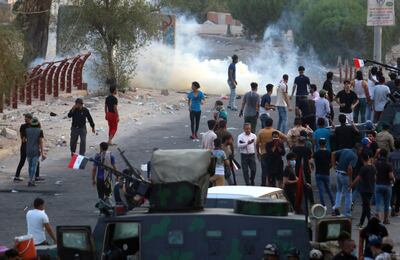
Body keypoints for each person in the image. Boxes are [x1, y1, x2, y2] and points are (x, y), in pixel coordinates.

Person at [331, 144, 362, 216]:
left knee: (339, 191)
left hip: (338, 173)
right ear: (358, 149)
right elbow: (350, 168)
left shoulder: (345, 150)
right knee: (348, 194)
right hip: (345, 175)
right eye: (361, 150)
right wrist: (350, 181)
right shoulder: (355, 156)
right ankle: (347, 213)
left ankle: (336, 208)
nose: (361, 152)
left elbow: (333, 153)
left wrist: (333, 165)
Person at [256, 117, 287, 186]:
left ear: (264, 123)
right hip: (275, 154)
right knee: (275, 172)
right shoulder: (275, 131)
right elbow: (286, 138)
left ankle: (263, 184)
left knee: (265, 171)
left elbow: (257, 143)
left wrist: (258, 153)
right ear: (272, 124)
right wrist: (280, 142)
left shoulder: (261, 132)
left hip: (264, 153)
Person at [351, 152, 376, 228]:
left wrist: (352, 185)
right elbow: (375, 178)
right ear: (368, 158)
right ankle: (361, 223)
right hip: (371, 189)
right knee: (365, 206)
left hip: (364, 189)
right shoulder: (373, 167)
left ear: (362, 159)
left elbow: (358, 178)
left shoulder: (363, 168)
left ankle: (370, 223)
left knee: (366, 207)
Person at [14, 113, 41, 182]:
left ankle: (17, 176)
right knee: (35, 161)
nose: (25, 119)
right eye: (25, 117)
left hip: (24, 146)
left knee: (23, 161)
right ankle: (36, 177)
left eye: (26, 117)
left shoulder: (23, 126)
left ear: (29, 119)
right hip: (30, 146)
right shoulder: (33, 127)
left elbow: (22, 137)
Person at [293, 135, 314, 207]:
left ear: (298, 141)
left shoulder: (295, 149)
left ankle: (297, 200)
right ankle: (311, 201)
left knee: (297, 183)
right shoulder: (307, 149)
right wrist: (311, 167)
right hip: (306, 168)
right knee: (308, 183)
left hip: (297, 168)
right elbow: (310, 159)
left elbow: (294, 159)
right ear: (304, 142)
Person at [375, 149, 395, 224]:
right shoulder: (388, 164)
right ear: (387, 155)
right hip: (387, 185)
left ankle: (378, 218)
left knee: (378, 202)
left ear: (380, 154)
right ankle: (385, 219)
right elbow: (390, 176)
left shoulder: (376, 163)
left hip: (378, 184)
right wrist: (393, 180)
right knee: (387, 203)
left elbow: (375, 174)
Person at [314, 138, 334, 208]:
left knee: (321, 191)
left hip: (318, 173)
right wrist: (328, 168)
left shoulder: (316, 153)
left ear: (319, 144)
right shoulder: (329, 153)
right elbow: (332, 164)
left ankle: (323, 206)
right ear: (325, 144)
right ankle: (333, 205)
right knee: (329, 190)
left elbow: (313, 162)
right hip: (326, 173)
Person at [25, 117, 46, 187]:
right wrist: (42, 152)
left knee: (30, 165)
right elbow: (41, 142)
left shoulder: (26, 130)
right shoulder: (40, 131)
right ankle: (31, 180)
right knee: (34, 166)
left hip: (28, 149)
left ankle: (30, 179)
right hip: (35, 150)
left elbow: (24, 140)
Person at [389, 139, 400, 216]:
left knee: (393, 192)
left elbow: (389, 166)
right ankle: (397, 209)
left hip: (392, 176)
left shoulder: (390, 154)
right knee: (399, 193)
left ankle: (392, 206)